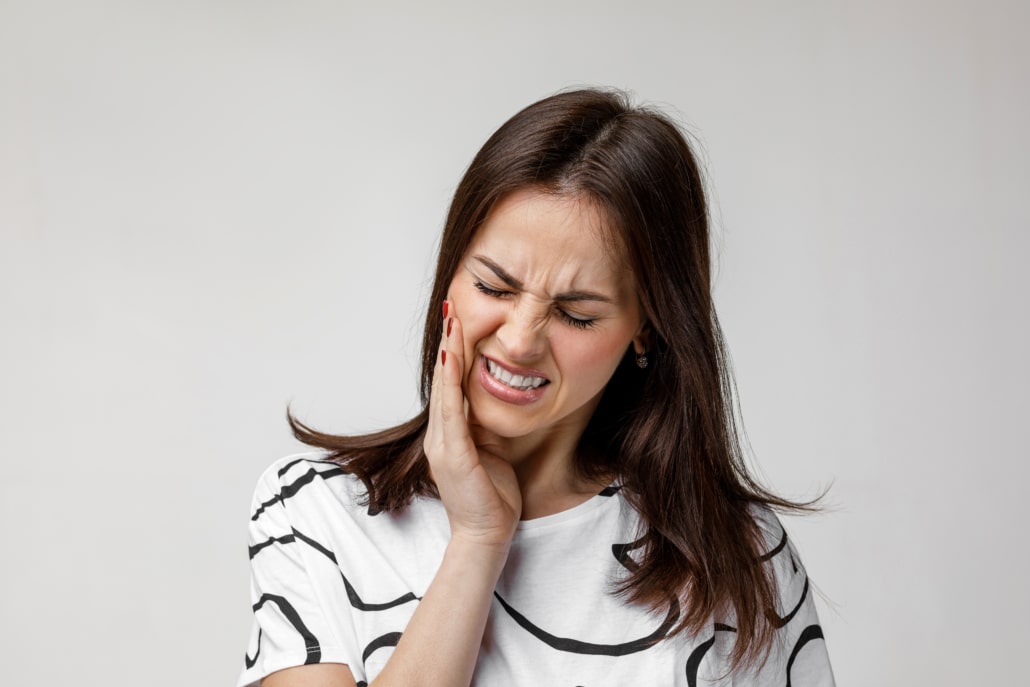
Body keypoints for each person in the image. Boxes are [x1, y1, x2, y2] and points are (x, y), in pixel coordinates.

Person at [238, 88, 835, 687]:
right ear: (452, 270)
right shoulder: (315, 512)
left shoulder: (736, 556)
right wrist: (477, 540)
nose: (520, 340)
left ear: (646, 331)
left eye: (576, 313)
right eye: (495, 287)